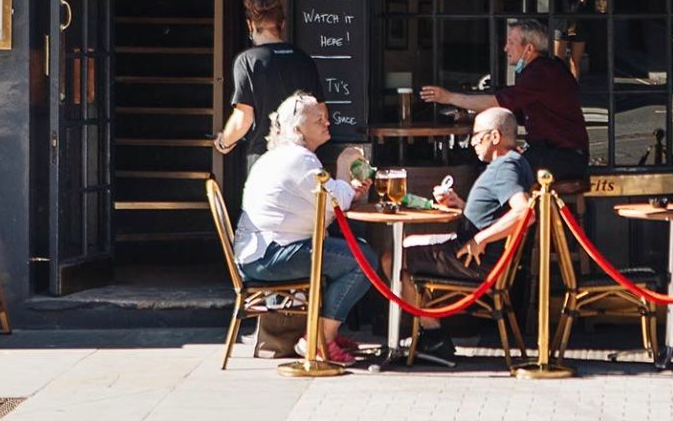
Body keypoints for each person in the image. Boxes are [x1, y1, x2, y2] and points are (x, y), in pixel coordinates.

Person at [233, 92, 378, 367]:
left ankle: (327, 333)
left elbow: (326, 200)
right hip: (271, 256)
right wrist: (345, 167)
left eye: (325, 118)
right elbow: (336, 202)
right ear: (298, 129)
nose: (327, 123)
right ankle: (320, 339)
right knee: (364, 260)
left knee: (353, 250)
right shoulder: (300, 160)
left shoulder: (282, 157)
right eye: (318, 120)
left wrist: (346, 188)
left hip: (260, 253)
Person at [397, 106, 533, 359]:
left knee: (394, 259)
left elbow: (525, 212)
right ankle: (429, 336)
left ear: (494, 137)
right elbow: (496, 212)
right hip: (480, 257)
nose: (472, 143)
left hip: (476, 261)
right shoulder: (515, 162)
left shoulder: (505, 167)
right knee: (408, 244)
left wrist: (480, 238)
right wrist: (460, 205)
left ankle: (433, 338)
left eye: (477, 135)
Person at [421, 18, 589, 182]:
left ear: (528, 49)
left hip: (563, 157)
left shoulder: (542, 72)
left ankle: (514, 209)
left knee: (501, 172)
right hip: (555, 153)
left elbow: (499, 102)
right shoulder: (541, 69)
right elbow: (514, 113)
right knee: (495, 164)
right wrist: (472, 118)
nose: (505, 48)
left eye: (511, 42)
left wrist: (449, 97)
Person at [215, 0, 323, 169]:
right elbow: (321, 113)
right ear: (282, 24)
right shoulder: (303, 59)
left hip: (263, 157)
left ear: (250, 25)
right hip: (301, 157)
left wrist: (224, 142)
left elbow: (243, 118)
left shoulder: (247, 61)